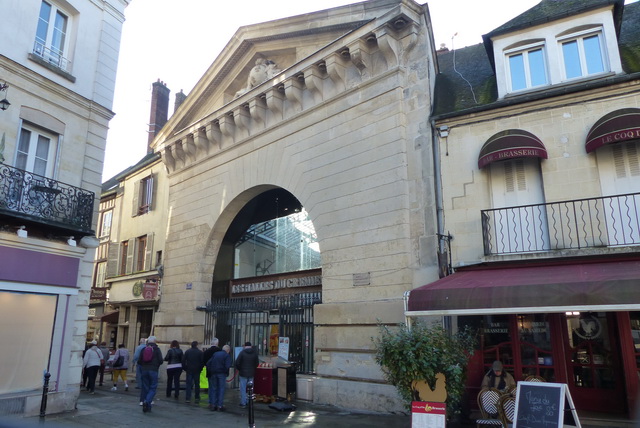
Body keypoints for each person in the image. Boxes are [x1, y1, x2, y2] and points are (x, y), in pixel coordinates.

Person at [139, 336, 163, 413]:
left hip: (144, 370)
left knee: (145, 387)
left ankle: (147, 405)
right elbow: (161, 360)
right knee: (153, 387)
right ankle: (147, 401)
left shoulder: (144, 349)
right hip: (153, 370)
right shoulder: (157, 349)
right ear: (155, 341)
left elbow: (139, 360)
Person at [206, 345, 232, 411]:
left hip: (214, 373)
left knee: (214, 388)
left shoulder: (215, 354)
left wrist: (211, 370)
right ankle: (219, 405)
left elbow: (208, 363)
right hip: (221, 373)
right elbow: (227, 366)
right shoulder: (226, 356)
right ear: (228, 350)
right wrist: (225, 372)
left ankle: (213, 404)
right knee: (221, 389)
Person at [235, 342, 259, 408]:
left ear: (245, 346)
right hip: (251, 373)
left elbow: (237, 362)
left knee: (243, 388)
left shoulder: (242, 353)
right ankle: (249, 401)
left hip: (243, 373)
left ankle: (243, 402)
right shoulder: (254, 353)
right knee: (250, 388)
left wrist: (240, 369)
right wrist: (253, 369)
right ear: (251, 346)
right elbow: (257, 363)